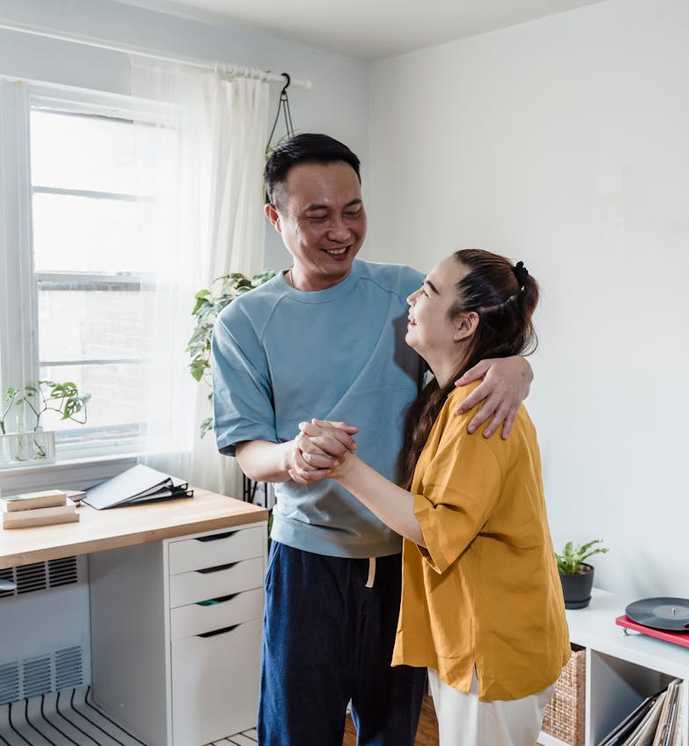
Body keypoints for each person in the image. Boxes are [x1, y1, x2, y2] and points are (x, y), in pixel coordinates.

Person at [210, 134, 534, 746]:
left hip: (407, 560)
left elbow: (478, 343)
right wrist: (293, 456)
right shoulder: (243, 323)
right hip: (308, 563)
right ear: (275, 217)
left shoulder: (407, 294)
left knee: (394, 728)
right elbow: (249, 450)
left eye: (353, 209)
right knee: (296, 730)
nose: (341, 231)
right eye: (317, 215)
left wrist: (519, 367)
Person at [326, 249, 570, 746]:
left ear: (465, 325)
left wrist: (344, 468)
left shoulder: (476, 409)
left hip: (492, 642)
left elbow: (438, 530)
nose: (412, 298)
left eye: (430, 292)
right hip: (482, 635)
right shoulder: (458, 396)